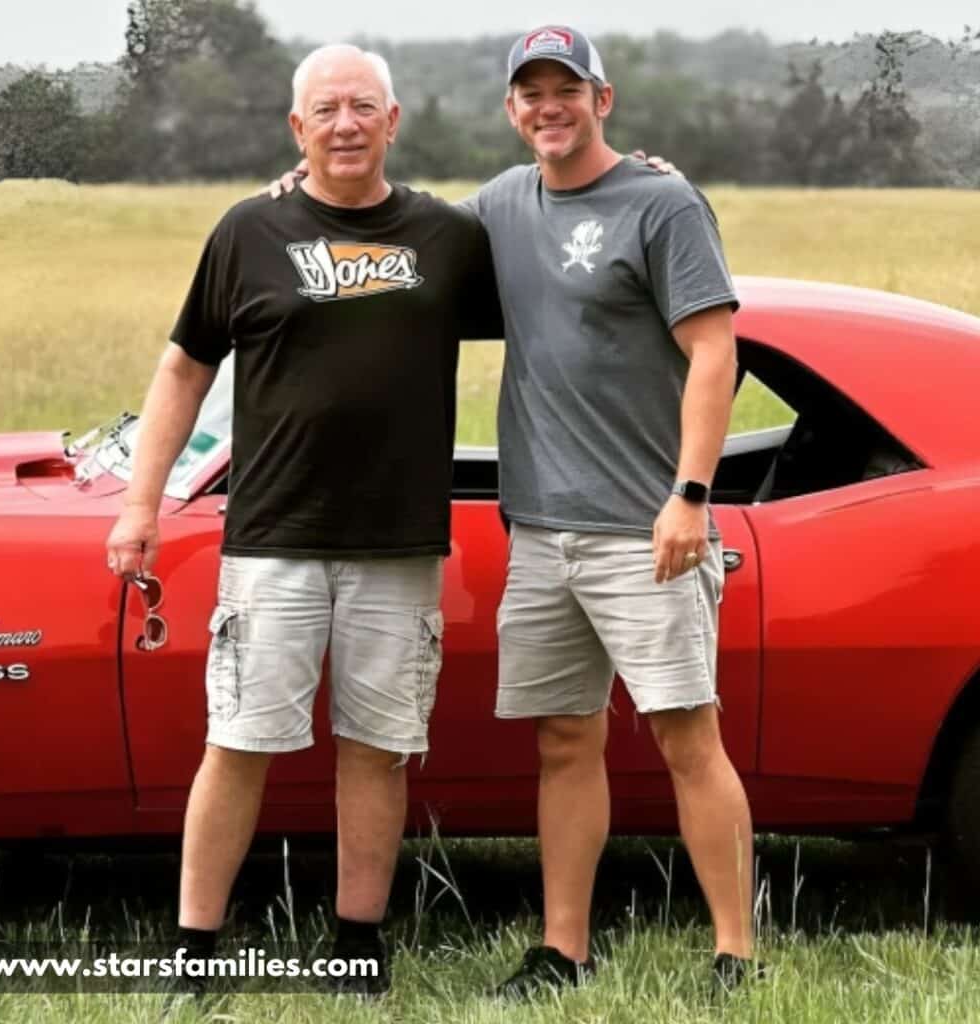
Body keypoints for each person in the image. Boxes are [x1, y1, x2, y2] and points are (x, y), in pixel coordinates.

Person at [275, 24, 756, 998]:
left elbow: (715, 352)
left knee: (684, 737)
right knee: (563, 739)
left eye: (565, 89)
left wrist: (689, 497)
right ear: (511, 108)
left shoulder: (660, 203)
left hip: (644, 526)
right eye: (530, 92)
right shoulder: (498, 207)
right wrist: (305, 191)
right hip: (538, 530)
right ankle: (563, 948)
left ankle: (734, 953)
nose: (548, 106)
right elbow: (399, 238)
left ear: (601, 99)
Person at [105, 43, 501, 995]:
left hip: (399, 545)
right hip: (273, 538)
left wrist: (636, 178)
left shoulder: (450, 239)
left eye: (364, 106)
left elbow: (563, 288)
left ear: (394, 121)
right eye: (325, 110)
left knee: (377, 749)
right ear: (297, 128)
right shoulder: (247, 231)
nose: (346, 124)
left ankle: (357, 946)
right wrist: (140, 502)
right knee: (237, 741)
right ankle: (197, 951)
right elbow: (182, 369)